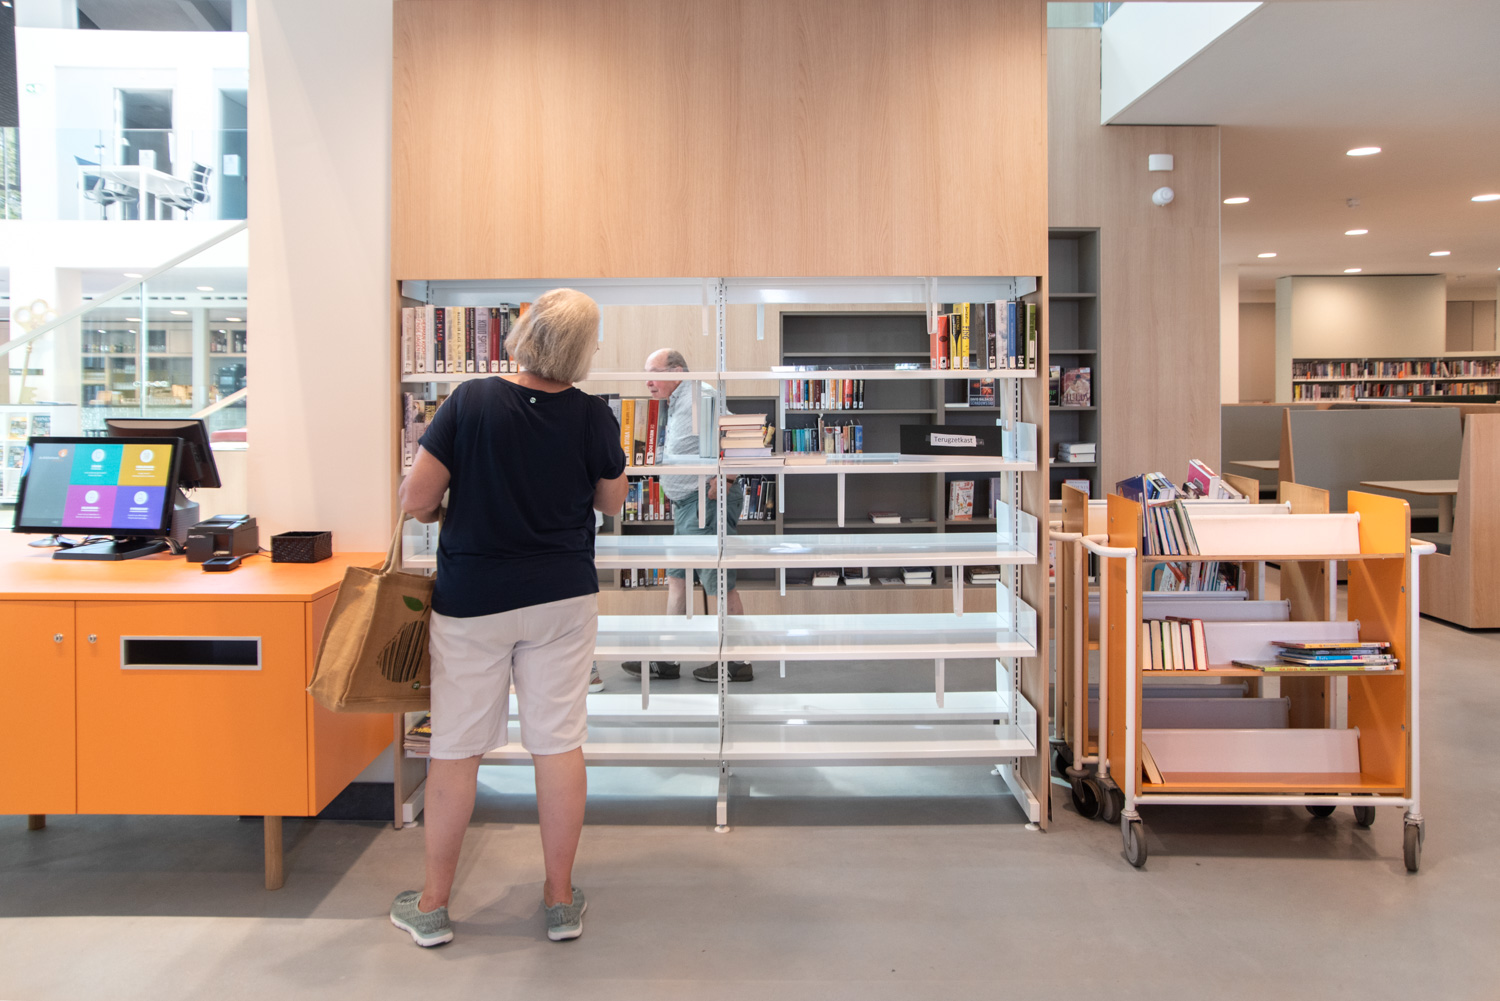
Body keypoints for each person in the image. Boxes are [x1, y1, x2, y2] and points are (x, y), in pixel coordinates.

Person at [390, 289, 628, 948]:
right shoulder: (592, 415)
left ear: (525, 334)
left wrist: (457, 501)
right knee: (558, 744)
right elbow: (612, 501)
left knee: (456, 747)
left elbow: (415, 499)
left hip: (474, 599)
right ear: (581, 350)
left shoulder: (469, 401)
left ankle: (433, 905)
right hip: (561, 598)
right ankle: (560, 901)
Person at [623, 348, 754, 683]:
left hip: (705, 504)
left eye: (653, 374)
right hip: (687, 506)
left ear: (677, 371)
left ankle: (737, 661)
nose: (647, 382)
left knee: (719, 582)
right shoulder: (676, 401)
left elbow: (739, 436)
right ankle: (667, 658)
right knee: (677, 579)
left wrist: (726, 479)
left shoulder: (701, 396)